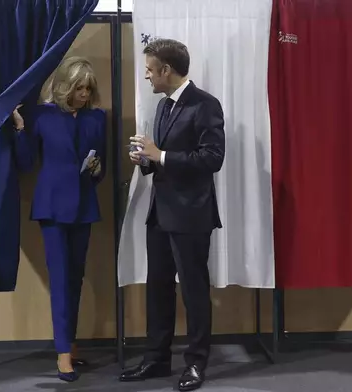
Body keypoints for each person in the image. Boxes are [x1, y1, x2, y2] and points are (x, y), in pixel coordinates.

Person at [119, 38, 225, 391]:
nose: (147, 76)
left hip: (192, 215)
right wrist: (146, 160)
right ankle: (156, 360)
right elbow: (162, 157)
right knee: (158, 289)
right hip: (160, 213)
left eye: (150, 70)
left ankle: (196, 364)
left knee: (193, 291)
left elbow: (212, 159)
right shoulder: (163, 107)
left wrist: (160, 155)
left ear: (166, 70)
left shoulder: (206, 105)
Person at [11, 56, 106, 383]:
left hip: (83, 206)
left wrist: (96, 170)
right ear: (65, 85)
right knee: (61, 279)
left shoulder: (97, 117)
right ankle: (62, 352)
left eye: (88, 87)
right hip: (52, 207)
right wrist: (22, 130)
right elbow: (25, 163)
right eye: (79, 87)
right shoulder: (43, 115)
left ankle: (70, 345)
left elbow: (100, 168)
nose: (84, 93)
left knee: (75, 278)